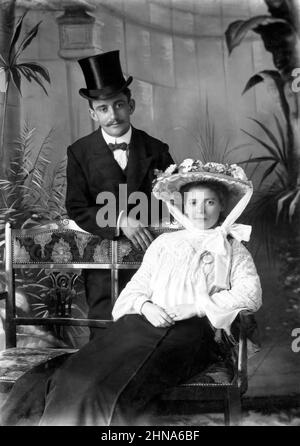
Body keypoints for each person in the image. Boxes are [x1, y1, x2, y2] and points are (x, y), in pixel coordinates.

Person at [0, 158, 262, 426]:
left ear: (221, 206)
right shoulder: (164, 243)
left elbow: (250, 294)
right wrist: (147, 307)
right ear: (183, 205)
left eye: (210, 202)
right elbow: (135, 289)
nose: (201, 210)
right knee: (74, 375)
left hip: (190, 333)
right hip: (139, 323)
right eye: (194, 203)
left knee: (109, 387)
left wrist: (195, 306)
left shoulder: (231, 246)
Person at [66, 50, 174, 324]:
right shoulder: (79, 152)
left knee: (151, 328)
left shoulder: (157, 149)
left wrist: (149, 217)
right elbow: (77, 207)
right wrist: (119, 219)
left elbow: (173, 202)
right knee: (104, 329)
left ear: (131, 105)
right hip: (103, 265)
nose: (113, 115)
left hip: (150, 261)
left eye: (118, 105)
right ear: (93, 113)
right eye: (103, 109)